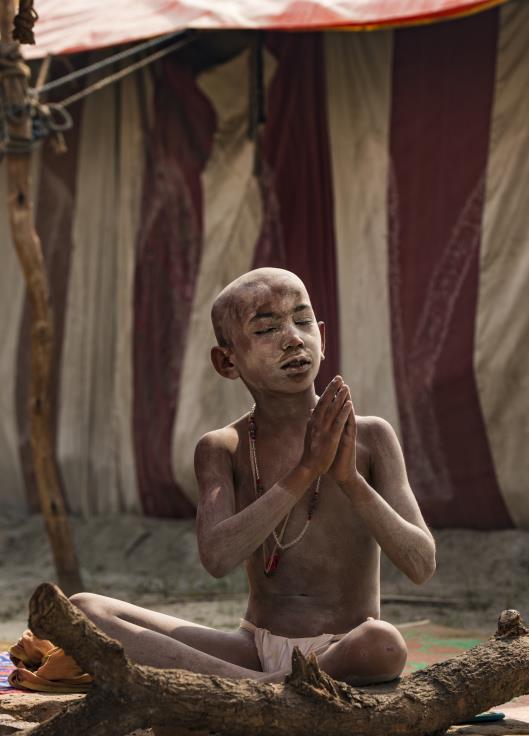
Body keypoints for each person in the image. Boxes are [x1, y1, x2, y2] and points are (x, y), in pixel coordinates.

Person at [70, 267, 436, 684]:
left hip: (342, 651)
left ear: (322, 335)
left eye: (301, 321)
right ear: (227, 361)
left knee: (384, 644)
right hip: (252, 650)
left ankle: (257, 690)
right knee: (85, 609)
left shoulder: (370, 437)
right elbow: (217, 557)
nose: (293, 339)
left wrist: (351, 480)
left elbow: (422, 564)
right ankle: (268, 687)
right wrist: (305, 471)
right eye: (266, 329)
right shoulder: (223, 447)